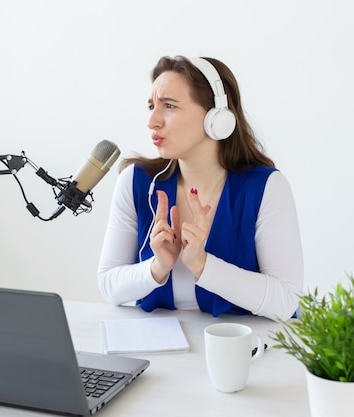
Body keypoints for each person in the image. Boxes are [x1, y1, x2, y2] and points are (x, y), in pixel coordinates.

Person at [97, 56, 303, 322]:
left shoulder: (266, 188)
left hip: (245, 352)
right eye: (152, 106)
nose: (153, 121)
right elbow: (108, 285)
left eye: (169, 106)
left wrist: (202, 265)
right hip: (164, 351)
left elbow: (285, 301)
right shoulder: (137, 182)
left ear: (217, 118)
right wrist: (158, 266)